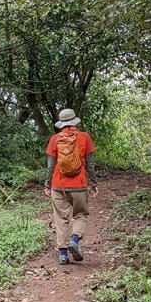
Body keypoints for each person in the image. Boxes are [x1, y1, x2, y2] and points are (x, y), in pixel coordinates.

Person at [43, 108, 98, 265]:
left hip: (58, 185)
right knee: (81, 215)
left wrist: (47, 184)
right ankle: (74, 240)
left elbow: (50, 166)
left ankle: (63, 254)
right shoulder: (85, 137)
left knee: (60, 218)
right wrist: (93, 183)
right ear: (75, 121)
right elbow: (90, 164)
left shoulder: (55, 139)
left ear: (61, 123)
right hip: (79, 185)